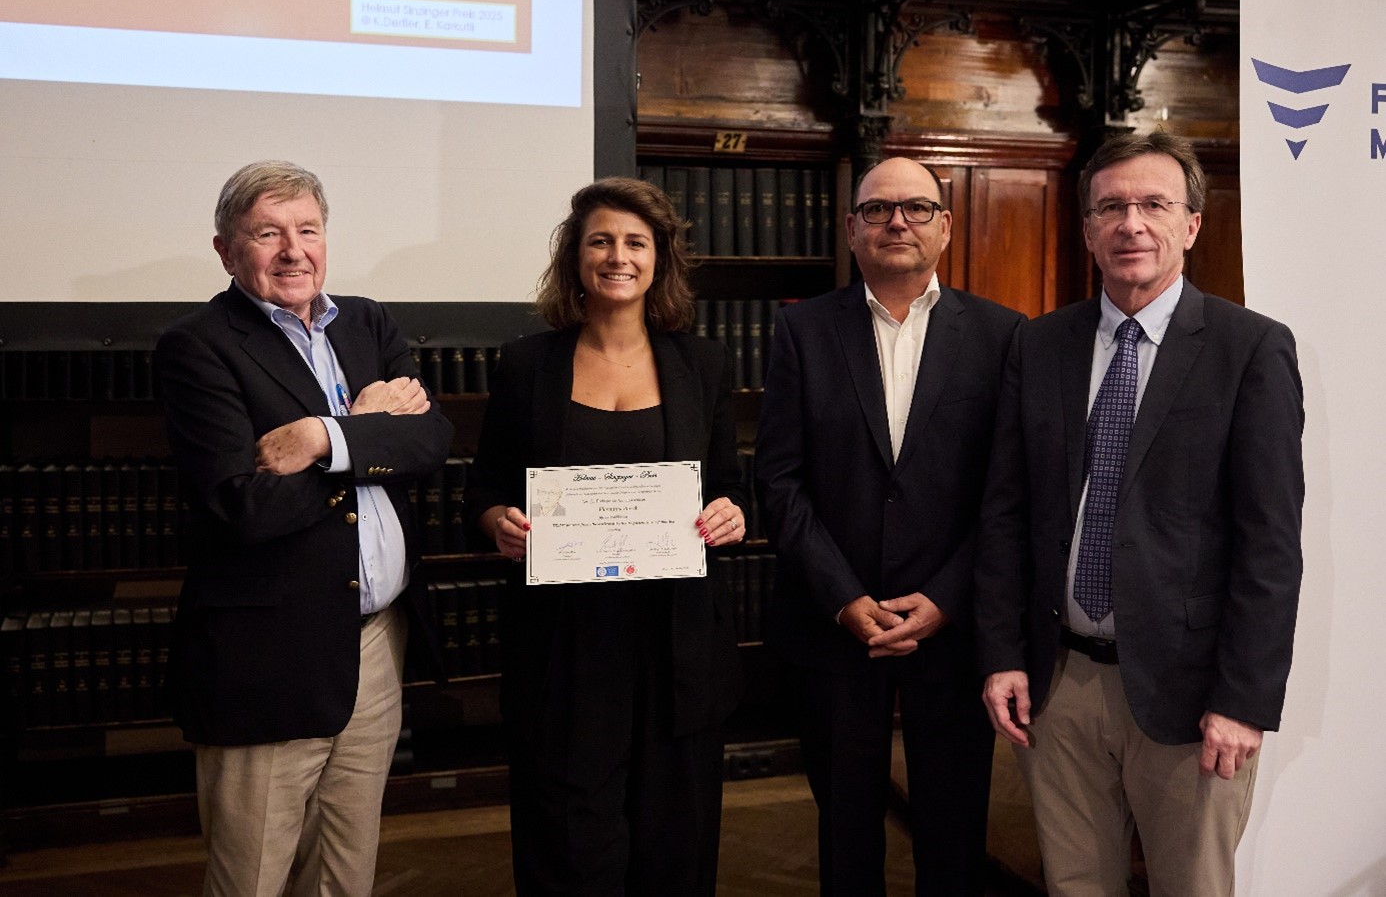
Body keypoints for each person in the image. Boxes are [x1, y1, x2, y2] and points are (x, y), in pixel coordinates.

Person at [975, 131, 1304, 896]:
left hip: (1192, 698)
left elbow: (1270, 546)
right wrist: (1001, 652)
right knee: (1076, 885)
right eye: (1111, 207)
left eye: (1155, 204)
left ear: (1192, 224)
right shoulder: (1040, 344)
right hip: (1057, 685)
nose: (1132, 223)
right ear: (1088, 229)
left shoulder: (1250, 349)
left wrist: (1242, 701)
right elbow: (1006, 513)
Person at [155, 160, 453, 896]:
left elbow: (429, 442)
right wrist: (368, 429)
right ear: (226, 250)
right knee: (253, 877)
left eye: (308, 230)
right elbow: (244, 505)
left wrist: (324, 436)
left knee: (345, 872)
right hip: (268, 655)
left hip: (378, 642)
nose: (294, 251)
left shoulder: (367, 321)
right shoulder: (198, 346)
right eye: (268, 233)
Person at [466, 176, 749, 896]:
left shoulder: (703, 364)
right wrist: (499, 522)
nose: (617, 256)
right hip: (564, 647)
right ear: (575, 257)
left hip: (676, 646)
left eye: (635, 242)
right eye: (600, 241)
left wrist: (732, 514)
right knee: (570, 847)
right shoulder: (527, 364)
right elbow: (485, 489)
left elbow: (728, 484)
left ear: (659, 259)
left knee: (674, 845)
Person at [755, 157, 1024, 896]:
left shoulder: (1003, 334)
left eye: (916, 208)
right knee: (845, 832)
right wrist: (843, 598)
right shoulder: (801, 330)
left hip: (953, 629)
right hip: (835, 626)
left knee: (954, 833)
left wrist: (946, 598)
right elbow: (778, 480)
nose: (896, 221)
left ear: (946, 226)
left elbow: (1007, 493)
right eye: (877, 209)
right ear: (852, 229)